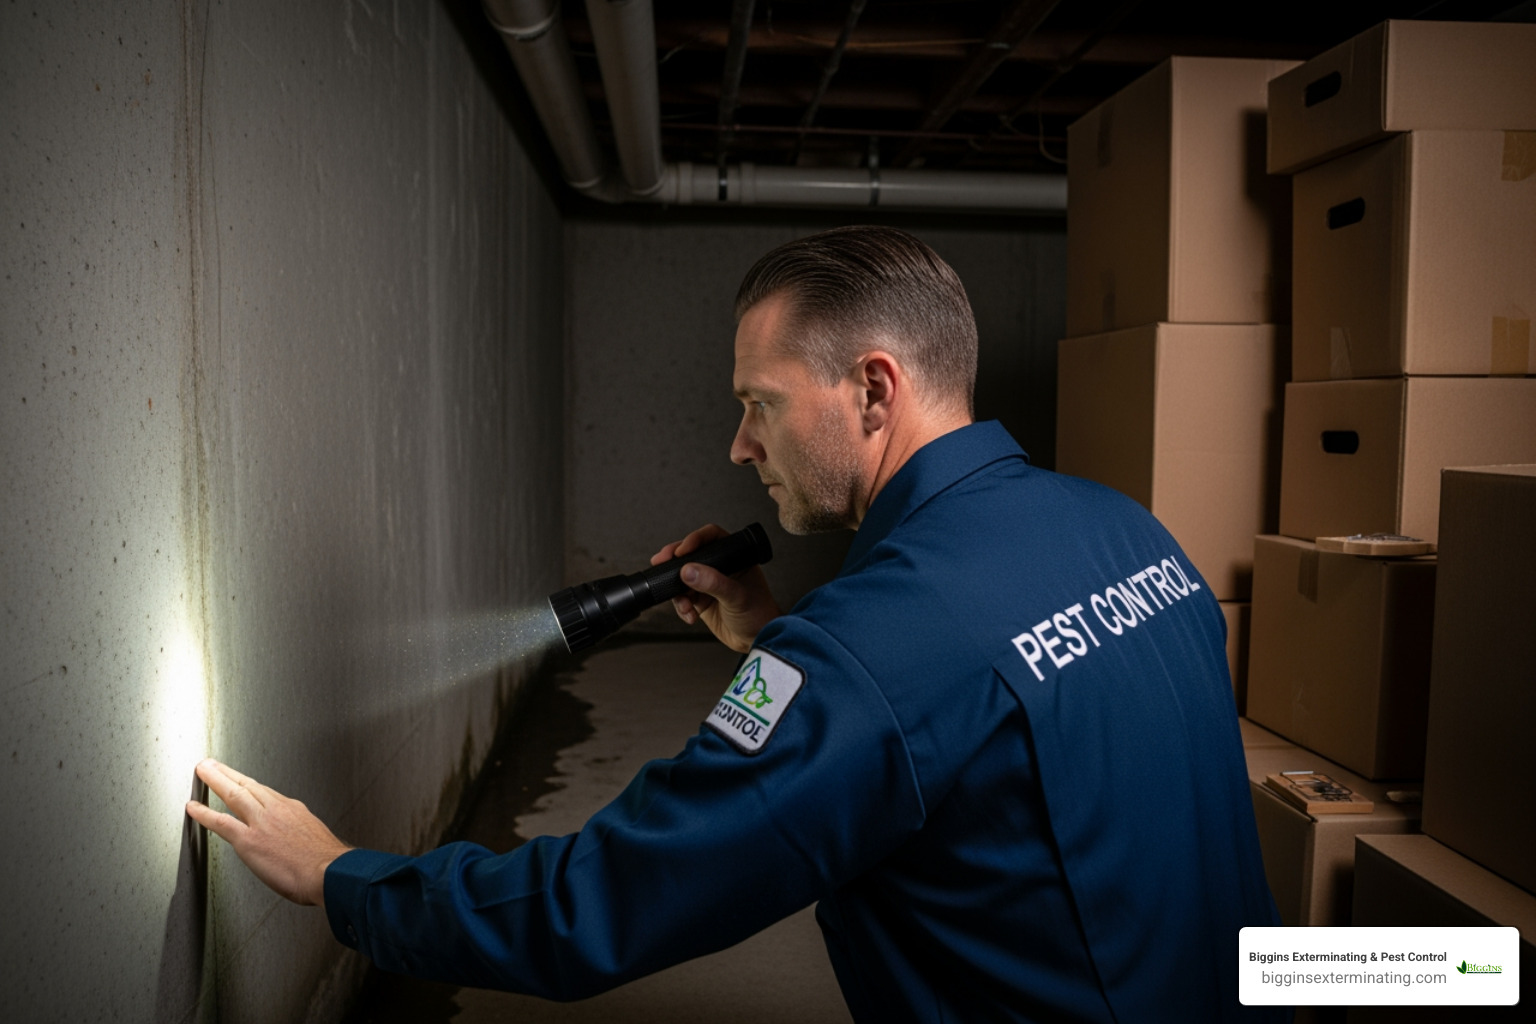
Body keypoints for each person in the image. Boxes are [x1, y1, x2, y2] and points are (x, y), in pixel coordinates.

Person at [187, 226, 1282, 1021]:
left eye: (758, 402)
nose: (738, 446)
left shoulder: (860, 656)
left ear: (872, 388)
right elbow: (977, 739)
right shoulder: (1124, 530)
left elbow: (606, 899)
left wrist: (344, 877)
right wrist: (774, 642)